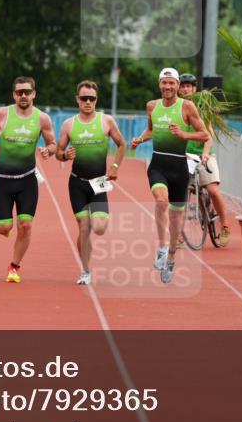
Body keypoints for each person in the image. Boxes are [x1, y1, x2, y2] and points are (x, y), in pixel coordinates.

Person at [130, 68, 209, 283]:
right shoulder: (152, 106)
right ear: (159, 85)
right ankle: (163, 247)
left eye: (171, 83)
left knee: (176, 216)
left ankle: (172, 255)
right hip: (158, 164)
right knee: (160, 200)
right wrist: (139, 139)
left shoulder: (187, 107)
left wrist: (184, 134)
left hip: (179, 167)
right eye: (164, 83)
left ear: (177, 85)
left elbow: (204, 134)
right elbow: (151, 130)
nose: (168, 87)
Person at [0, 76, 57, 283]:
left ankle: (14, 267)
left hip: (27, 179)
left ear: (34, 94)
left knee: (25, 225)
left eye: (27, 92)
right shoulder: (3, 114)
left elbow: (53, 143)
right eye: (19, 92)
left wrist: (48, 150)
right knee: (3, 227)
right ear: (14, 95)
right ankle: (7, 229)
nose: (23, 95)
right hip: (3, 179)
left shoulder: (42, 119)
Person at [55, 80, 127, 285]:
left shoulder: (106, 121)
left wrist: (114, 167)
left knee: (99, 227)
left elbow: (122, 145)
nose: (88, 102)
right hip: (77, 183)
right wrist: (65, 155)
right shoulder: (69, 124)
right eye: (84, 98)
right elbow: (58, 154)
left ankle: (87, 261)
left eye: (91, 98)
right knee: (84, 227)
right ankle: (86, 270)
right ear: (77, 100)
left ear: (96, 100)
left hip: (98, 183)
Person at [178, 73, 231, 247]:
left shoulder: (202, 107)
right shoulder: (175, 108)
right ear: (179, 88)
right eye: (183, 86)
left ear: (195, 88)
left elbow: (208, 135)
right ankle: (177, 231)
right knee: (178, 192)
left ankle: (224, 225)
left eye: (189, 86)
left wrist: (206, 154)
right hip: (184, 157)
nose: (186, 89)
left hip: (203, 154)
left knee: (213, 190)